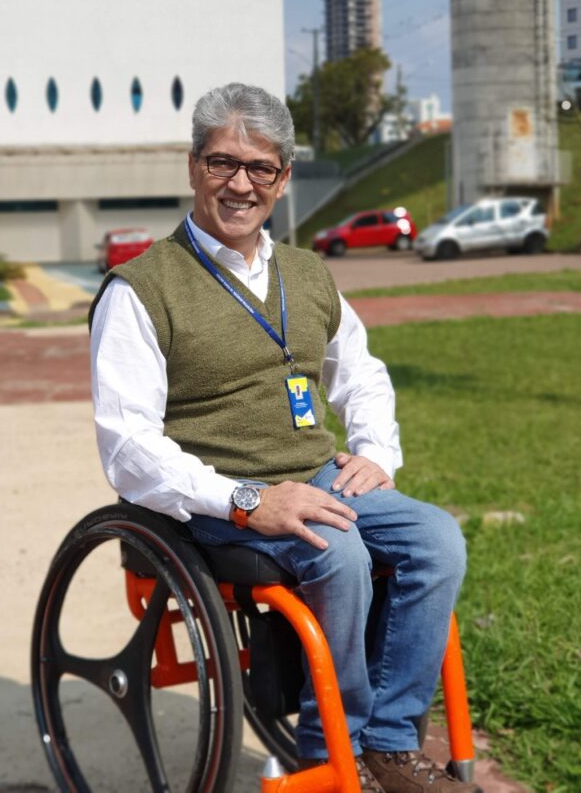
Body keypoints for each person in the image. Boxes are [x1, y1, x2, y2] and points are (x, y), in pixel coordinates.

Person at [89, 82, 479, 793]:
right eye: (221, 163)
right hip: (216, 500)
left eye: (259, 167)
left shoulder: (307, 272)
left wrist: (376, 452)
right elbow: (127, 446)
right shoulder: (140, 289)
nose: (240, 184)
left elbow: (359, 370)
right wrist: (246, 500)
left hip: (319, 478)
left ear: (283, 178)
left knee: (437, 540)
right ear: (193, 166)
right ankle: (330, 747)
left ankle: (390, 742)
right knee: (339, 555)